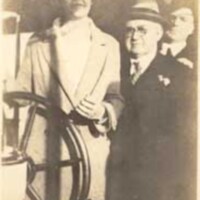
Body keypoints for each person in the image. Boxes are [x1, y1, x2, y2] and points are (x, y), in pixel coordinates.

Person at [15, 0, 124, 199]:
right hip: (44, 156)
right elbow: (20, 96)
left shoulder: (109, 45)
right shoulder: (37, 43)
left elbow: (115, 98)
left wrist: (102, 111)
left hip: (89, 155)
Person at [106, 1, 196, 200]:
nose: (135, 36)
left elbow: (183, 142)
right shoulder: (114, 69)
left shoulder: (181, 74)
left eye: (142, 30)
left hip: (159, 185)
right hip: (118, 182)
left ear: (158, 34)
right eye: (129, 30)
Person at [160, 0, 196, 69]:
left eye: (183, 19)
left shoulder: (195, 59)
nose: (175, 23)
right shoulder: (148, 49)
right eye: (172, 18)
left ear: (192, 28)